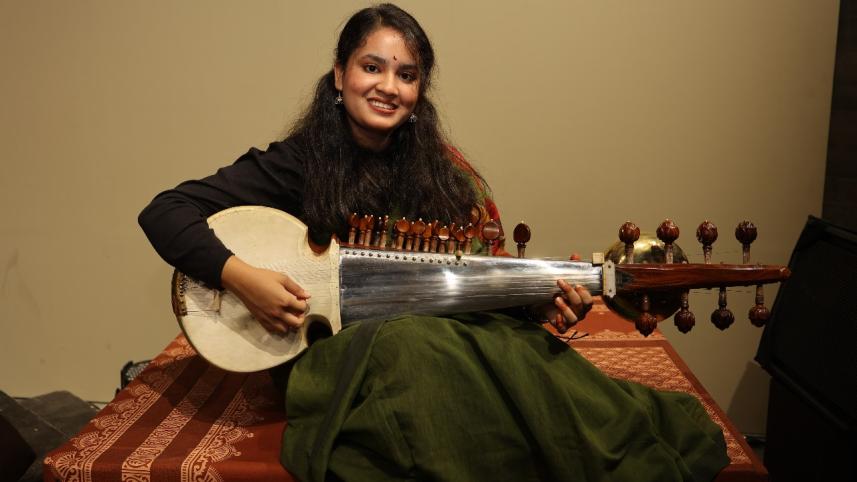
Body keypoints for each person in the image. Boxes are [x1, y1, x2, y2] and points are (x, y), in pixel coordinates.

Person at [139, 4, 729, 481]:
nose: (387, 86)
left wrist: (537, 302)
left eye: (406, 74)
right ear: (340, 74)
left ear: (421, 90)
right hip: (326, 352)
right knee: (417, 348)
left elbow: (468, 282)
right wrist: (244, 277)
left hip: (436, 340)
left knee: (504, 352)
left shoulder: (443, 177)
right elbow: (164, 212)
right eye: (372, 68)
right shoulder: (295, 165)